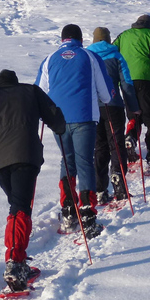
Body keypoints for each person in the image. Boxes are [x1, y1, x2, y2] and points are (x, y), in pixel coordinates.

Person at [0, 69, 66, 293]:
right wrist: (60, 127)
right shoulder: (30, 91)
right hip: (25, 155)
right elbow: (53, 113)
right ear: (15, 82)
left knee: (17, 205)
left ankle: (17, 260)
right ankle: (15, 262)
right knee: (20, 207)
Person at [35, 24, 114, 238]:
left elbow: (39, 92)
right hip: (83, 117)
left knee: (67, 162)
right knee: (84, 161)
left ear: (62, 39)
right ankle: (88, 214)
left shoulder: (49, 59)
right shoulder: (89, 56)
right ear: (80, 39)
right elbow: (106, 95)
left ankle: (68, 210)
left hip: (58, 120)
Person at [86, 27, 140, 204]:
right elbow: (127, 83)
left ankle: (100, 189)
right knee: (116, 145)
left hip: (93, 110)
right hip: (114, 106)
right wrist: (133, 108)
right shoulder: (117, 56)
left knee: (99, 147)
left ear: (94, 40)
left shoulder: (87, 57)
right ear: (109, 39)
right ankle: (119, 184)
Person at [113, 14, 150, 175]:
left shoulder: (124, 35)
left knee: (133, 115)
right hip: (146, 80)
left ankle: (130, 138)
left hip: (126, 80)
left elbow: (112, 51)